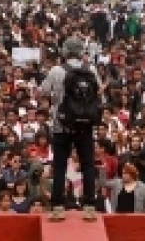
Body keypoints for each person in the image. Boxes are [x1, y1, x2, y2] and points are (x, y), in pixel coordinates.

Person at [38, 36, 99, 221]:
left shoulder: (57, 70)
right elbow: (98, 91)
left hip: (61, 124)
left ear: (64, 51)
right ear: (81, 52)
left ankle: (58, 207)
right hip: (85, 125)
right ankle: (89, 206)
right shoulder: (91, 69)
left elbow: (43, 91)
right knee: (88, 165)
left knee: (60, 166)